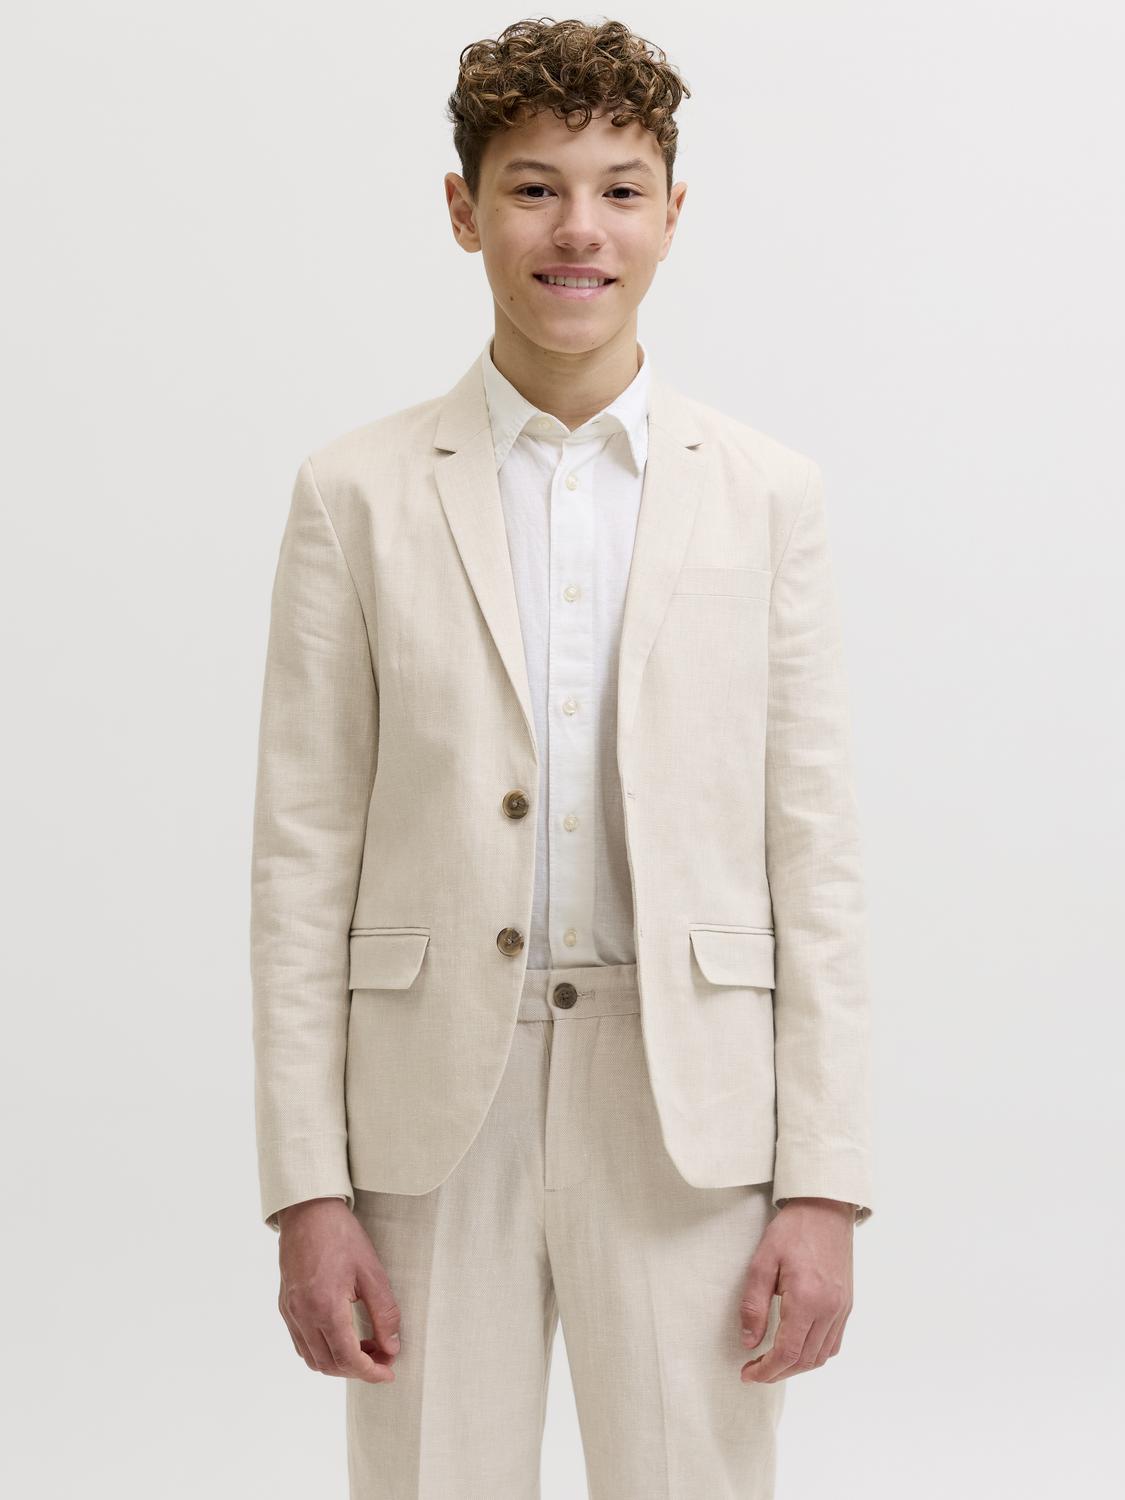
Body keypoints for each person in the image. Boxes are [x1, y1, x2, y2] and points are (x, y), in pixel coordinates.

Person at [250, 17, 874, 1498]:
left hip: (688, 1112)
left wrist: (826, 1183)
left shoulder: (770, 494)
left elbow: (816, 853)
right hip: (424, 1120)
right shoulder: (354, 493)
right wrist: (306, 1189)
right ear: (463, 210)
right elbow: (299, 858)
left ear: (672, 212)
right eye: (533, 188)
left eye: (618, 188)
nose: (577, 228)